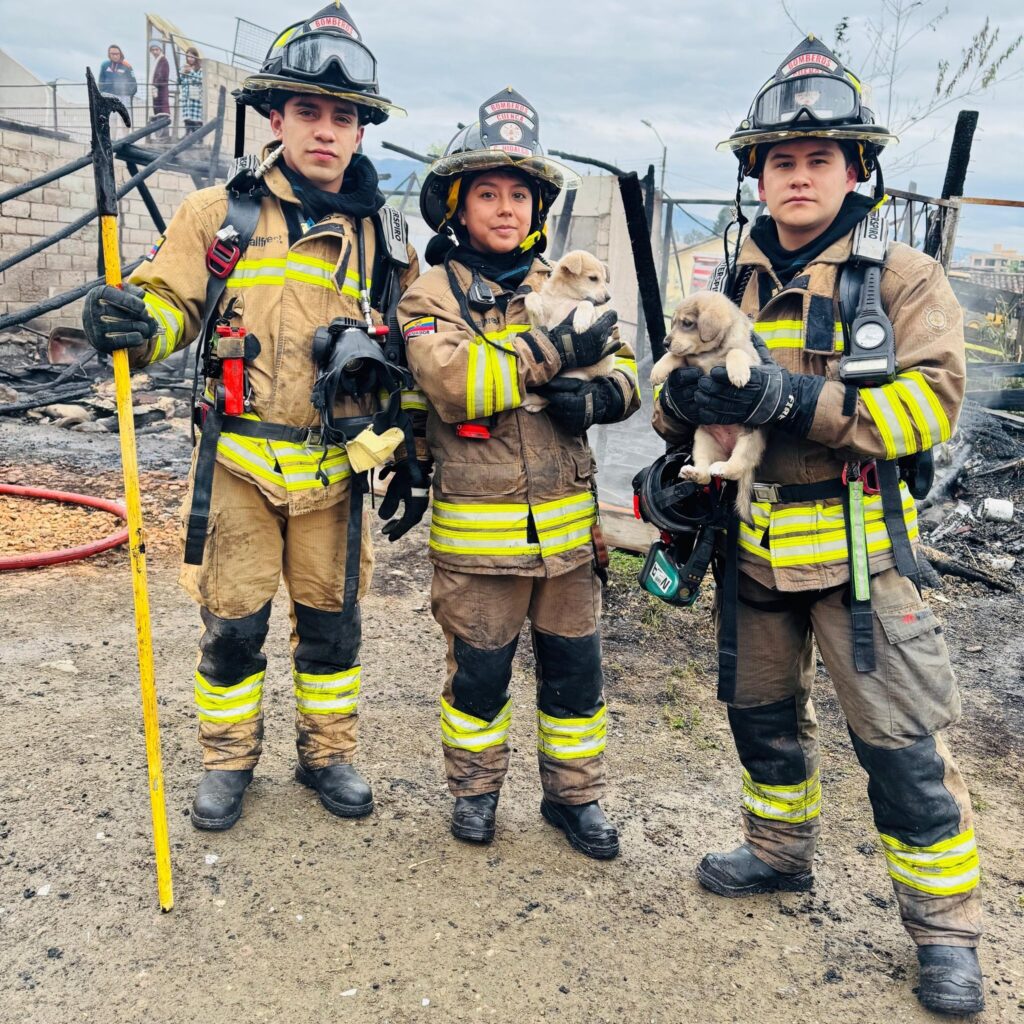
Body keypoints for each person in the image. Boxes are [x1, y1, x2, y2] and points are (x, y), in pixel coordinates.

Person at [653, 35, 982, 1016]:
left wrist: (794, 405)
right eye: (780, 161)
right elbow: (671, 395)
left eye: (819, 159)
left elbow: (929, 409)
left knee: (901, 748)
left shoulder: (904, 278)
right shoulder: (723, 275)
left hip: (861, 556)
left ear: (856, 170)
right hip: (749, 544)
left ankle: (945, 931)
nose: (798, 176)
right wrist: (679, 424)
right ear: (756, 174)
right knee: (758, 717)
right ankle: (775, 853)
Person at [81, 4, 424, 832]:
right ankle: (228, 761)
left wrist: (408, 446)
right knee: (232, 627)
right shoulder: (217, 214)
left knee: (332, 631)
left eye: (344, 116)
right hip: (235, 463)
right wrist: (135, 323)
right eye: (309, 110)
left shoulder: (384, 232)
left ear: (361, 130)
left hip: (336, 469)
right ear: (277, 116)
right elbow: (171, 307)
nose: (326, 130)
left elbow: (410, 345)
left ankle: (327, 755)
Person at [397, 88, 641, 859]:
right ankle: (475, 793)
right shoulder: (432, 292)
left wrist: (601, 393)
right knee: (479, 678)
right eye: (488, 195)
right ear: (458, 206)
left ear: (538, 208)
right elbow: (453, 382)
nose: (505, 209)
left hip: (569, 535)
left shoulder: (567, 277)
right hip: (479, 541)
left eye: (519, 196)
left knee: (576, 678)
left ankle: (575, 800)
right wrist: (553, 355)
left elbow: (628, 366)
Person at [179, 48, 204, 133]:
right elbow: (178, 81)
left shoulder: (200, 69)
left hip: (195, 97)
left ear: (196, 58)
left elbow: (200, 81)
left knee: (196, 119)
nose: (190, 59)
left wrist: (192, 71)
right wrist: (182, 73)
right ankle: (187, 135)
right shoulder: (183, 67)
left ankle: (197, 138)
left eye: (192, 57)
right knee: (187, 118)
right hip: (186, 97)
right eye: (188, 56)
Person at [149, 42, 170, 139]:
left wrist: (155, 84)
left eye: (156, 49)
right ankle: (159, 136)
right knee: (158, 112)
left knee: (162, 112)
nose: (154, 52)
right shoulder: (157, 61)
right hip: (156, 90)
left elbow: (162, 75)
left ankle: (163, 136)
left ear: (160, 50)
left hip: (161, 90)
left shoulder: (163, 61)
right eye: (153, 50)